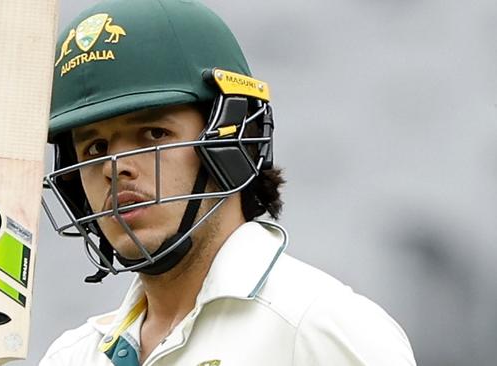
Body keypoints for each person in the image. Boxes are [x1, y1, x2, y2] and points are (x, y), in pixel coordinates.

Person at [40, 0, 417, 365]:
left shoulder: (320, 331)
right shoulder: (73, 356)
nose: (115, 168)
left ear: (230, 141)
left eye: (154, 133)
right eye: (95, 147)